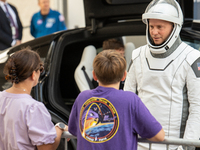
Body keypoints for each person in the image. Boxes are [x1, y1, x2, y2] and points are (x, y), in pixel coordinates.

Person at [124, 0, 200, 149]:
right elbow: (127, 102)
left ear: (174, 27)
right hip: (139, 144)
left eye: (160, 27)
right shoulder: (137, 55)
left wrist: (186, 146)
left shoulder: (191, 58)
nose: (154, 32)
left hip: (174, 146)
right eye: (151, 26)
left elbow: (197, 108)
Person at [68, 50, 165, 150]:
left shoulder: (82, 97)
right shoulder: (130, 100)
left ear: (94, 75)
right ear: (124, 76)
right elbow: (159, 136)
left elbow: (73, 130)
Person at [0, 47, 68, 150]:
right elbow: (46, 147)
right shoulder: (33, 107)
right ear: (33, 75)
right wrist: (59, 128)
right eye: (39, 70)